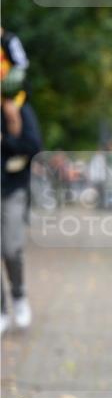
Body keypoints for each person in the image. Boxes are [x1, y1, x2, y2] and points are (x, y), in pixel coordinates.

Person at [1, 28, 41, 334]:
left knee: (11, 248)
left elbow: (32, 146)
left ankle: (19, 295)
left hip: (12, 186)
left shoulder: (18, 107)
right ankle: (2, 309)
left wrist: (7, 135)